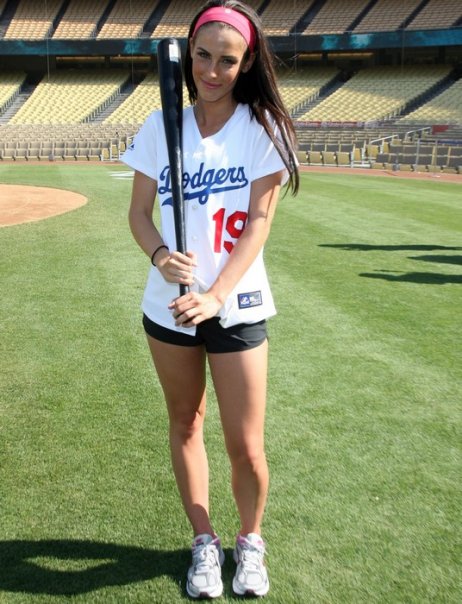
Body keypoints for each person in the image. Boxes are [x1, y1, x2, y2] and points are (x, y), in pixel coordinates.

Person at [122, 0, 299, 598]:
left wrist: (217, 294)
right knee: (185, 422)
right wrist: (159, 255)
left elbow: (258, 224)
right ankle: (204, 541)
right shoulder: (159, 125)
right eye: (202, 56)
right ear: (188, 55)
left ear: (246, 63)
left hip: (237, 304)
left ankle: (250, 542)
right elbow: (139, 213)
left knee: (246, 445)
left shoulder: (262, 128)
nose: (212, 71)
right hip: (169, 305)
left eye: (227, 60)